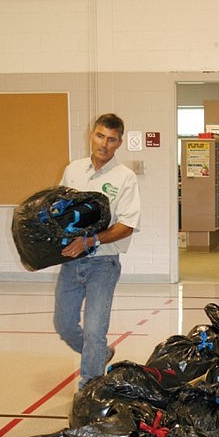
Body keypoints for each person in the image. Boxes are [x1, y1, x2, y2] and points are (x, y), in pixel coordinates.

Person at [54, 113, 141, 388]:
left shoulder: (125, 178)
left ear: (119, 143)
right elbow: (60, 210)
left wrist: (90, 241)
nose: (104, 144)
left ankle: (91, 387)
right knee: (64, 326)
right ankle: (101, 356)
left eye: (111, 139)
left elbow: (127, 224)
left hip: (103, 264)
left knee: (94, 331)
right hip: (71, 262)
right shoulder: (73, 170)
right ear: (92, 135)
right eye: (100, 136)